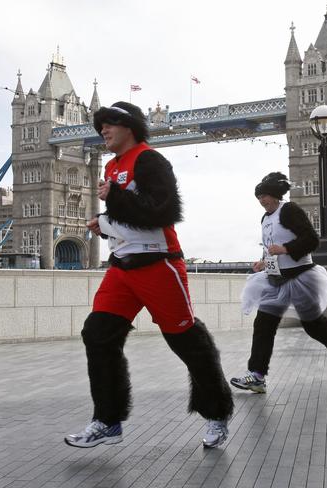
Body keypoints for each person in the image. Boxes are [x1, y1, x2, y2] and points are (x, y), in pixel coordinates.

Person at [64, 102, 233, 449]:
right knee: (97, 334)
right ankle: (108, 420)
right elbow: (128, 215)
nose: (104, 131)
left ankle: (217, 412)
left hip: (159, 265)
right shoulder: (111, 167)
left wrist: (117, 200)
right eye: (100, 127)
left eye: (110, 124)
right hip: (122, 267)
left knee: (186, 342)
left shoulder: (150, 160)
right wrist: (105, 223)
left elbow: (164, 212)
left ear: (130, 126)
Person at [230, 172, 327, 393]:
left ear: (276, 195)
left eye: (265, 196)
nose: (262, 201)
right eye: (259, 197)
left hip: (300, 277)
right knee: (263, 325)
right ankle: (257, 375)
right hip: (275, 278)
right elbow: (271, 247)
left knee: (313, 326)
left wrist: (286, 249)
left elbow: (311, 239)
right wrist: (263, 262)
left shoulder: (289, 211)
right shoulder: (265, 219)